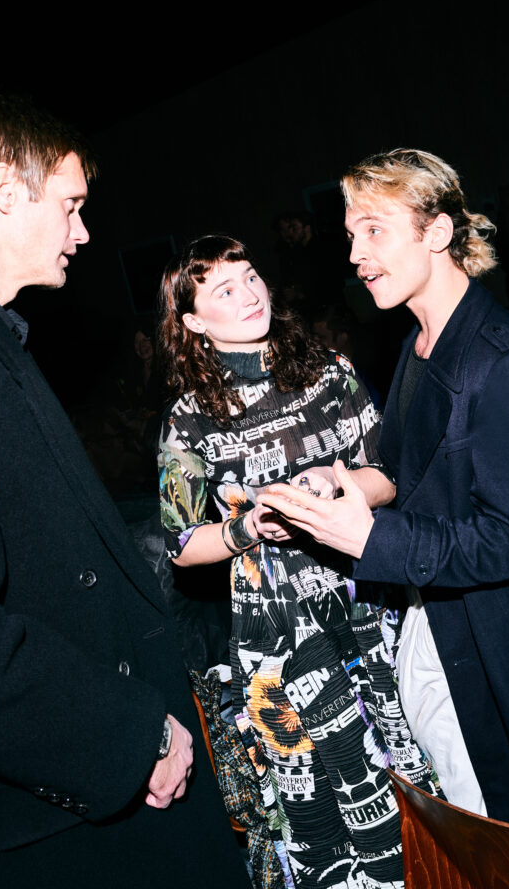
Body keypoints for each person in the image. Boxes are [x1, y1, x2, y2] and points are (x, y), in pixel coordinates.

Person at [258, 149, 509, 889]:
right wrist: (342, 487)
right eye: (351, 235)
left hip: (499, 633)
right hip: (438, 614)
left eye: (374, 230)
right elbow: (407, 469)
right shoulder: (420, 341)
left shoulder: (502, 359)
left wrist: (372, 538)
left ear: (436, 232)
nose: (355, 255)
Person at [0, 95, 248, 888]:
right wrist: (127, 737)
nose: (83, 232)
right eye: (70, 205)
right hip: (59, 795)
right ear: (4, 192)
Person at [156, 235, 442, 889]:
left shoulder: (328, 370)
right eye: (224, 290)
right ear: (194, 322)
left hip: (368, 602)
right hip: (281, 635)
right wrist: (247, 528)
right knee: (328, 816)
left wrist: (336, 486)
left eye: (250, 276)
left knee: (419, 776)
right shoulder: (189, 418)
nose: (249, 294)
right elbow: (181, 544)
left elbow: (388, 474)